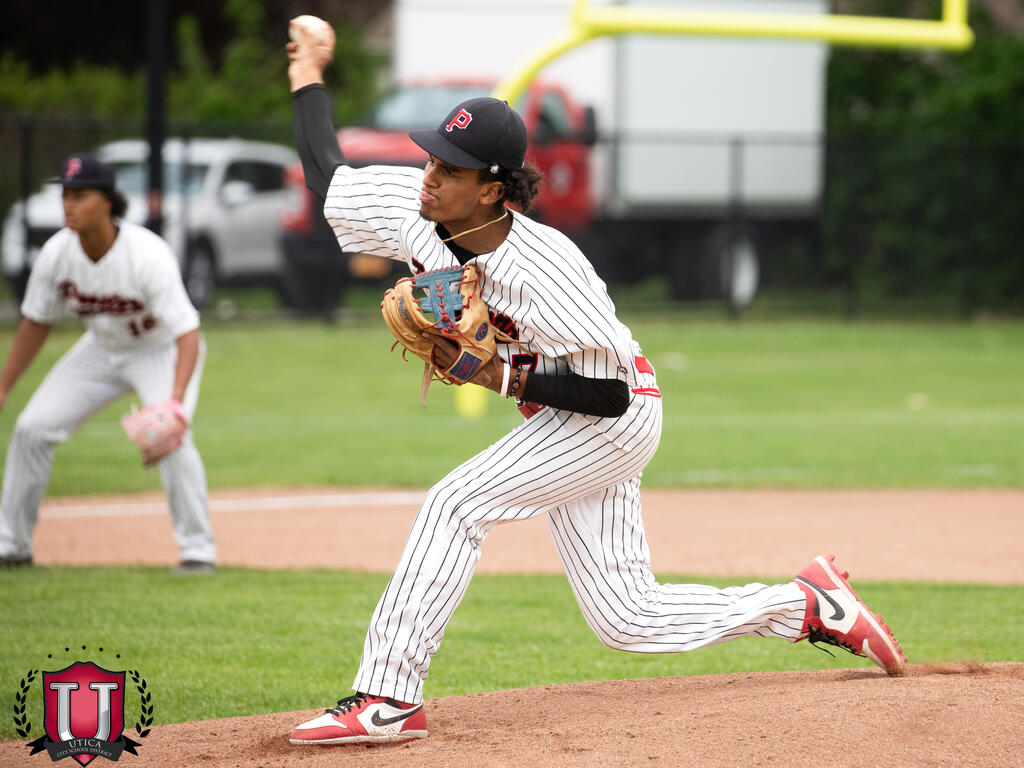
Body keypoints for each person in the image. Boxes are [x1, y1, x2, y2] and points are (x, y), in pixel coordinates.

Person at [284, 17, 906, 746]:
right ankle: (805, 605)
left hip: (615, 415)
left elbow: (608, 395)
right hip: (564, 415)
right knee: (627, 619)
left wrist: (495, 372)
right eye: (432, 160)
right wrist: (308, 73)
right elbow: (329, 178)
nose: (429, 177)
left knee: (455, 504)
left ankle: (389, 697)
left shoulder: (547, 269)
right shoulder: (418, 210)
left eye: (449, 170)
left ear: (491, 191)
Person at [0, 153, 216, 573]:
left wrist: (174, 404)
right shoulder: (57, 254)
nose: (69, 204)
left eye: (80, 195)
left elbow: (187, 333)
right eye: (66, 194)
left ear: (107, 200)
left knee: (169, 435)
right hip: (101, 348)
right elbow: (36, 322)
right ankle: (12, 546)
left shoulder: (146, 254)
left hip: (160, 349)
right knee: (31, 428)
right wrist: (5, 384)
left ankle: (197, 552)